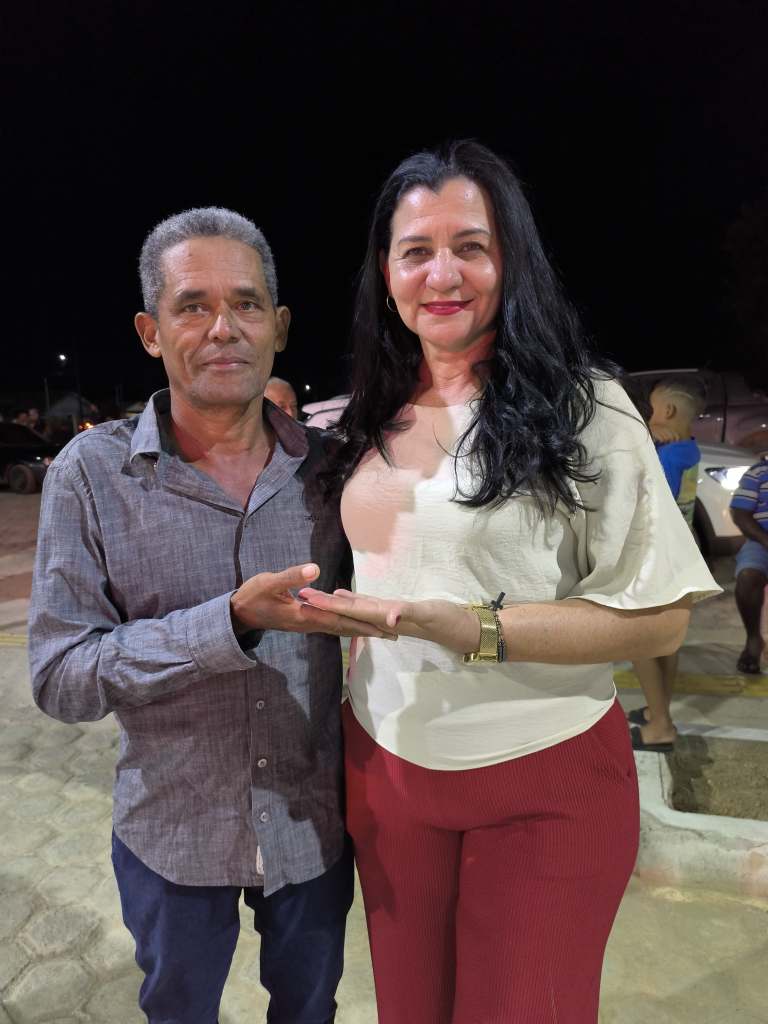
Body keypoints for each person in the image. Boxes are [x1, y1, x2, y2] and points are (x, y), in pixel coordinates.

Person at [299, 141, 720, 1024]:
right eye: (416, 251)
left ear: (510, 259)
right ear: (385, 272)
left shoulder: (587, 409)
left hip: (544, 781)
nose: (441, 274)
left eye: (471, 247)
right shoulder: (366, 415)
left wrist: (476, 629)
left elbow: (660, 620)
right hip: (387, 773)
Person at [28, 207, 390, 1023]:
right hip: (173, 830)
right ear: (150, 332)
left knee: (310, 1009)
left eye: (247, 303)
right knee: (179, 1009)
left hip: (310, 825)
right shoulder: (92, 475)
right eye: (192, 306)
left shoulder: (334, 473)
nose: (223, 328)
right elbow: (59, 679)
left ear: (280, 326)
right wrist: (225, 624)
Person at [628, 376, 706, 750]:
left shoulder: (668, 456)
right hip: (679, 554)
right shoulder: (689, 449)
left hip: (655, 555)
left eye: (653, 409)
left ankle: (660, 725)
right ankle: (657, 710)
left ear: (668, 411)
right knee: (666, 641)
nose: (650, 416)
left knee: (638, 639)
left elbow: (651, 496)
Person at [730, 459, 768, 673]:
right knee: (748, 576)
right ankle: (754, 640)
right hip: (762, 542)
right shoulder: (759, 472)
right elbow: (740, 514)